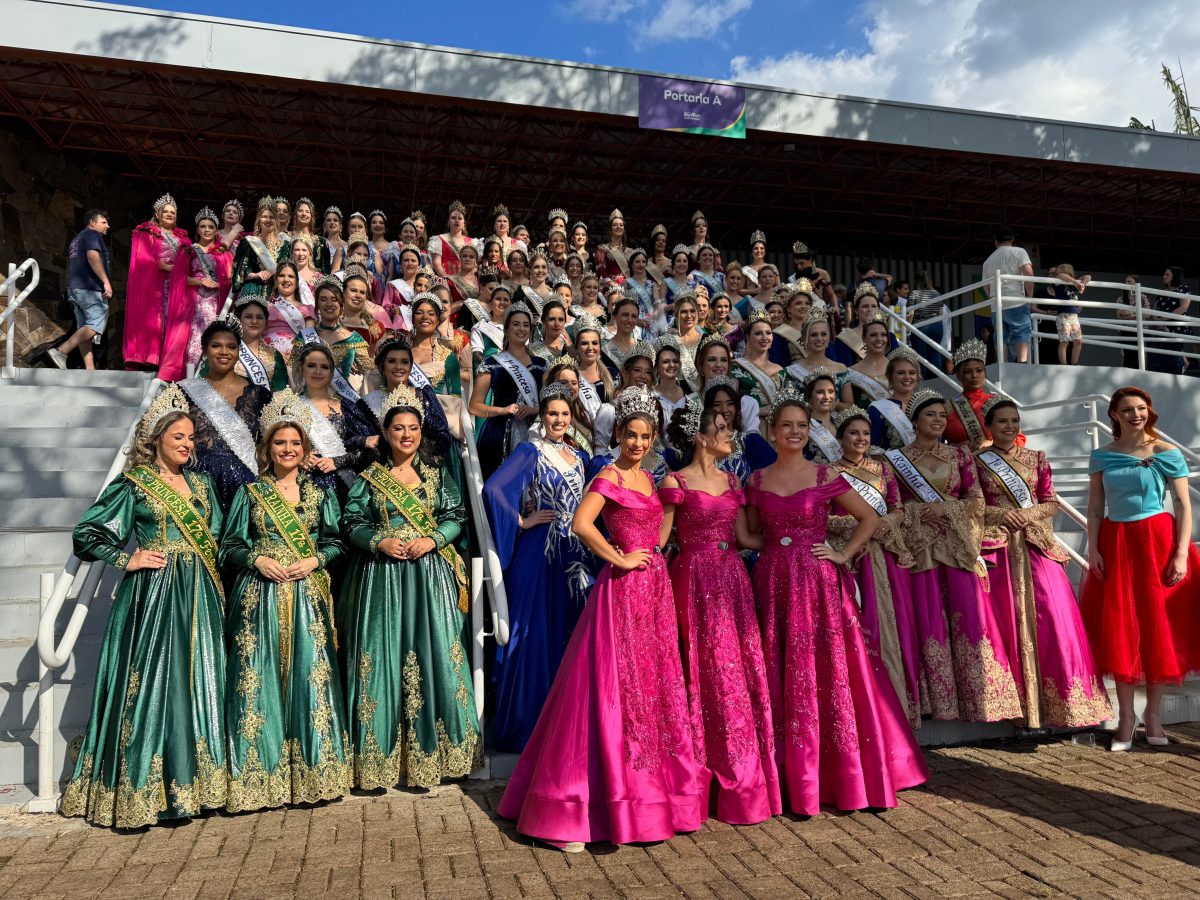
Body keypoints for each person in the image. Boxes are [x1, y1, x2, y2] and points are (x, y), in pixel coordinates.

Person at [498, 386, 705, 851]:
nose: (637, 443)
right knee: (611, 688)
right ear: (618, 435)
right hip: (622, 592)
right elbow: (581, 524)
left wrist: (653, 547)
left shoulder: (652, 479)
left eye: (645, 437)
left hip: (653, 590)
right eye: (630, 435)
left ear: (653, 439)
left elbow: (659, 528)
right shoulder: (608, 476)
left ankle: (648, 798)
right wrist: (620, 558)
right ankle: (581, 806)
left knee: (649, 686)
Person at [746, 389, 927, 816]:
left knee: (829, 670)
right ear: (772, 432)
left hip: (818, 581)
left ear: (809, 432)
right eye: (786, 425)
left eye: (801, 426)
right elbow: (749, 534)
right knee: (780, 667)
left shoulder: (826, 476)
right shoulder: (755, 480)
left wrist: (842, 554)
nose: (794, 432)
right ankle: (790, 776)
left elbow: (870, 519)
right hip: (773, 581)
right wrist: (778, 550)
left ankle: (843, 774)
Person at [60, 386, 228, 828]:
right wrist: (126, 557)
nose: (187, 444)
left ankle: (197, 786)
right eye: (178, 437)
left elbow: (220, 537)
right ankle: (144, 789)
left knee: (197, 679)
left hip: (201, 594)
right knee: (155, 684)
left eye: (191, 437)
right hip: (153, 594)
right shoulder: (133, 485)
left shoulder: (202, 483)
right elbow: (87, 534)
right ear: (155, 439)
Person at [340, 383, 481, 788]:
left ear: (422, 433)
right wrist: (378, 540)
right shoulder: (370, 479)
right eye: (398, 428)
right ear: (385, 434)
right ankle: (379, 761)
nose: (406, 435)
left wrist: (433, 539)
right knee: (380, 658)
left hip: (427, 576)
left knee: (435, 652)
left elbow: (456, 515)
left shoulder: (437, 476)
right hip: (381, 577)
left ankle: (440, 754)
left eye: (413, 429)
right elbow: (350, 523)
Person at [220, 390, 351, 811]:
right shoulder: (249, 493)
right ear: (267, 447)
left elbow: (335, 541)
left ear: (306, 448)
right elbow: (229, 546)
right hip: (258, 596)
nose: (288, 449)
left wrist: (316, 557)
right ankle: (258, 776)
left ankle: (315, 772)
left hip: (307, 594)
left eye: (295, 443)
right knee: (257, 678)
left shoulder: (320, 494)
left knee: (310, 677)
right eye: (280, 442)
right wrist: (256, 558)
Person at [659, 400, 780, 824]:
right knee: (703, 667)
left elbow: (746, 536)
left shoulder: (733, 481)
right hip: (692, 579)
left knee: (736, 668)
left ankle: (741, 774)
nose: (730, 434)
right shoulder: (674, 481)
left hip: (732, 579)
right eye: (723, 428)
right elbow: (659, 540)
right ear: (701, 438)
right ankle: (701, 776)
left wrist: (794, 544)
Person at [886, 388, 1024, 723]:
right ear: (915, 420)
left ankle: (981, 701)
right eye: (929, 414)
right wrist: (920, 511)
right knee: (929, 619)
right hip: (920, 548)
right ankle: (937, 702)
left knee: (970, 618)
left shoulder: (960, 457)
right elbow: (893, 505)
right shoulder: (894, 461)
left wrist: (943, 508)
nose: (936, 420)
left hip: (958, 545)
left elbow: (977, 502)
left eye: (940, 415)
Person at [975, 398, 1112, 729]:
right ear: (989, 427)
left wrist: (1028, 513)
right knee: (1005, 620)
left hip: (1036, 544)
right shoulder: (976, 463)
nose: (1009, 426)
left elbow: (1050, 502)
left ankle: (1065, 704)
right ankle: (1017, 708)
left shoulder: (1036, 459)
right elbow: (971, 503)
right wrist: (1001, 514)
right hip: (999, 545)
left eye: (1014, 420)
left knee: (1054, 613)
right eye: (1002, 421)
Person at [1081, 387, 1200, 750]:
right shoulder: (1101, 455)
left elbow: (1183, 505)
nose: (1136, 414)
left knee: (1157, 628)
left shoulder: (1165, 452)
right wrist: (1095, 550)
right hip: (1117, 544)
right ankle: (1126, 719)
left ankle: (1154, 717)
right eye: (1128, 409)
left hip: (1158, 541)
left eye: (1142, 408)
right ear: (1114, 415)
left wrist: (1181, 554)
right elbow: (1095, 507)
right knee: (1122, 628)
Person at [483, 382, 594, 753]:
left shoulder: (579, 456)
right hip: (541, 550)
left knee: (570, 630)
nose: (559, 419)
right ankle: (531, 725)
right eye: (552, 414)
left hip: (575, 552)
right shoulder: (532, 450)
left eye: (564, 413)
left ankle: (569, 723)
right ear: (542, 416)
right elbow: (494, 489)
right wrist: (522, 521)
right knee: (536, 633)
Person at [829, 406, 921, 726]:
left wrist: (883, 522)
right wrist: (859, 526)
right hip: (852, 556)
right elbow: (825, 518)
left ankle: (896, 701)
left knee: (892, 624)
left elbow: (898, 508)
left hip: (885, 555)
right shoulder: (829, 472)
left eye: (866, 433)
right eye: (853, 433)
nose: (861, 438)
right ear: (840, 438)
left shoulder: (882, 470)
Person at [177, 318, 272, 511]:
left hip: (245, 484)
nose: (224, 352)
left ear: (239, 352)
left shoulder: (259, 394)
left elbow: (268, 443)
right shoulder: (184, 391)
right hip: (196, 482)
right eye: (216, 346)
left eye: (231, 347)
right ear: (205, 350)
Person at [158, 207, 234, 382]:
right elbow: (178, 277)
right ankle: (191, 379)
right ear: (197, 229)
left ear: (216, 231)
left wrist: (220, 283)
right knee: (194, 341)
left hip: (216, 301)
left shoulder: (223, 253)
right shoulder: (189, 250)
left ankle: (209, 376)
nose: (207, 230)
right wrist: (199, 281)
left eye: (211, 227)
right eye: (203, 226)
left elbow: (230, 279)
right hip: (195, 301)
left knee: (214, 339)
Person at [469, 307, 545, 478]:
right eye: (516, 324)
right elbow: (474, 407)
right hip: (497, 435)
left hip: (533, 432)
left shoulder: (542, 365)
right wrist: (502, 410)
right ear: (507, 329)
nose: (521, 329)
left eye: (526, 325)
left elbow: (550, 404)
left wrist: (535, 409)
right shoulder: (493, 363)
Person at [293, 343, 375, 499]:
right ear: (301, 369)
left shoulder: (347, 407)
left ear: (332, 372)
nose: (318, 372)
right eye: (311, 366)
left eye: (324, 367)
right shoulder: (289, 407)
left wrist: (337, 461)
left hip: (342, 484)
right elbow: (275, 446)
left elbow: (368, 449)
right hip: (300, 484)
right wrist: (299, 457)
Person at [124, 193, 189, 370]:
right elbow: (141, 258)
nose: (169, 215)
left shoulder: (182, 238)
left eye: (172, 213)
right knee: (153, 320)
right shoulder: (147, 232)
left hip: (175, 287)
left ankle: (165, 361)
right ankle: (148, 360)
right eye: (165, 211)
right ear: (158, 214)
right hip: (154, 285)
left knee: (171, 322)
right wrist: (164, 267)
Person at [49, 209, 112, 371]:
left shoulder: (76, 239)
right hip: (90, 288)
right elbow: (93, 256)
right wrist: (105, 281)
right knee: (95, 324)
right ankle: (61, 351)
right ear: (92, 223)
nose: (108, 226)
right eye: (104, 222)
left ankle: (90, 370)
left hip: (75, 289)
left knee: (84, 330)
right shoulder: (92, 235)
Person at [943, 339, 1026, 450]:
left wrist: (990, 444)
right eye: (968, 371)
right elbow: (934, 444)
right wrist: (954, 447)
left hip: (995, 462)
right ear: (958, 375)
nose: (974, 375)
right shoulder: (948, 406)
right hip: (960, 463)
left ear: (984, 372)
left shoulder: (998, 402)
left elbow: (1019, 439)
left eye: (979, 370)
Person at [981, 227, 1035, 363]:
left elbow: (985, 285)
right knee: (1021, 331)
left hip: (996, 305)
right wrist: (1029, 295)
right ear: (1012, 239)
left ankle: (1002, 364)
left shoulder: (988, 261)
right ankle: (1022, 363)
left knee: (1000, 336)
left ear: (995, 241)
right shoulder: (1019, 252)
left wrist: (992, 299)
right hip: (1015, 299)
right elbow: (1028, 272)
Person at [733, 310, 789, 436]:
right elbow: (730, 406)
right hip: (751, 427)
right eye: (758, 333)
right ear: (748, 338)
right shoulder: (735, 368)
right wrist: (759, 410)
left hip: (779, 430)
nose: (764, 337)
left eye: (768, 333)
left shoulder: (781, 370)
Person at [232, 197, 291, 308]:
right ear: (259, 219)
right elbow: (238, 272)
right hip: (253, 291)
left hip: (278, 293)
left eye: (271, 217)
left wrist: (276, 272)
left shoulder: (286, 245)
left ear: (276, 220)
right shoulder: (249, 243)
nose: (268, 220)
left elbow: (290, 269)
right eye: (264, 217)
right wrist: (256, 275)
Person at [228, 294, 289, 391]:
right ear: (239, 320)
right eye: (248, 317)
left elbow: (282, 392)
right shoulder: (224, 352)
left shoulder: (274, 355)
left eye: (260, 317)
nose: (254, 321)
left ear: (266, 322)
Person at [868, 348, 920, 451]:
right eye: (901, 373)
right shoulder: (878, 409)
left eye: (912, 373)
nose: (907, 377)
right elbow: (873, 448)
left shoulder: (927, 405)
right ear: (890, 377)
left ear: (918, 377)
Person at [262, 261, 314, 360]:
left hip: (296, 358)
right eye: (281, 275)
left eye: (291, 276)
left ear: (297, 283)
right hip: (267, 357)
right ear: (276, 281)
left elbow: (310, 339)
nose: (286, 280)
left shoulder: (307, 309)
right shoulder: (264, 307)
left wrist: (295, 354)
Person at [840, 314, 893, 408]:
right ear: (864, 338)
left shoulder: (897, 368)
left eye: (883, 335)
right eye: (873, 335)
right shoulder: (850, 373)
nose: (879, 339)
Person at [1147, 266, 1192, 375]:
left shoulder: (1183, 289)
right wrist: (1158, 320)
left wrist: (1163, 319)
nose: (1164, 276)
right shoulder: (1163, 292)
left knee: (1174, 355)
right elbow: (1155, 308)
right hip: (1161, 329)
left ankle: (1177, 378)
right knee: (1159, 356)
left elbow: (1183, 308)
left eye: (1167, 274)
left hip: (1176, 328)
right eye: (1164, 274)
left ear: (1175, 276)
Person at [802, 369, 843, 463]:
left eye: (830, 391)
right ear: (809, 398)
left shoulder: (843, 426)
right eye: (820, 392)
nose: (826, 397)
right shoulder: (803, 427)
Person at [430, 200, 472, 278]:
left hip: (466, 282)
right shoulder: (439, 239)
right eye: (453, 218)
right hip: (446, 280)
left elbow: (474, 265)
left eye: (460, 218)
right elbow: (436, 263)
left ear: (464, 223)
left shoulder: (472, 242)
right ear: (449, 222)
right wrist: (447, 277)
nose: (456, 220)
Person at [593, 208, 630, 283]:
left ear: (624, 229)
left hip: (628, 289)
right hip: (610, 289)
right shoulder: (602, 249)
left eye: (621, 225)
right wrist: (613, 285)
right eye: (615, 225)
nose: (618, 227)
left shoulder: (630, 251)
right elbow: (600, 270)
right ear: (610, 230)